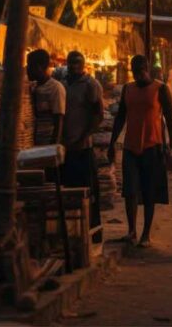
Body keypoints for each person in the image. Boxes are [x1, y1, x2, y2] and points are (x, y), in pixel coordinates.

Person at [108, 55, 172, 248]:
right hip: (131, 146)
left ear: (147, 69)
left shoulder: (160, 89)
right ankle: (131, 231)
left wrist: (171, 144)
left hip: (153, 145)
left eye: (141, 70)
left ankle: (146, 233)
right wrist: (112, 143)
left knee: (149, 192)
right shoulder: (128, 89)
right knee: (130, 191)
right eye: (135, 71)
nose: (138, 74)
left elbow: (170, 117)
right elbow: (121, 116)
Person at [61, 51, 104, 237]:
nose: (73, 66)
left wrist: (83, 136)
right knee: (69, 192)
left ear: (83, 64)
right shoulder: (62, 83)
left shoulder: (90, 85)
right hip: (66, 148)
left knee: (88, 192)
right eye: (71, 63)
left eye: (77, 63)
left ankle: (92, 232)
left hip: (83, 147)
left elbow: (98, 115)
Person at [27, 49, 65, 147]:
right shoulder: (33, 87)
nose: (27, 69)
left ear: (39, 67)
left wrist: (52, 149)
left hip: (46, 143)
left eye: (30, 66)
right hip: (32, 143)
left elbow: (59, 121)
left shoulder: (55, 88)